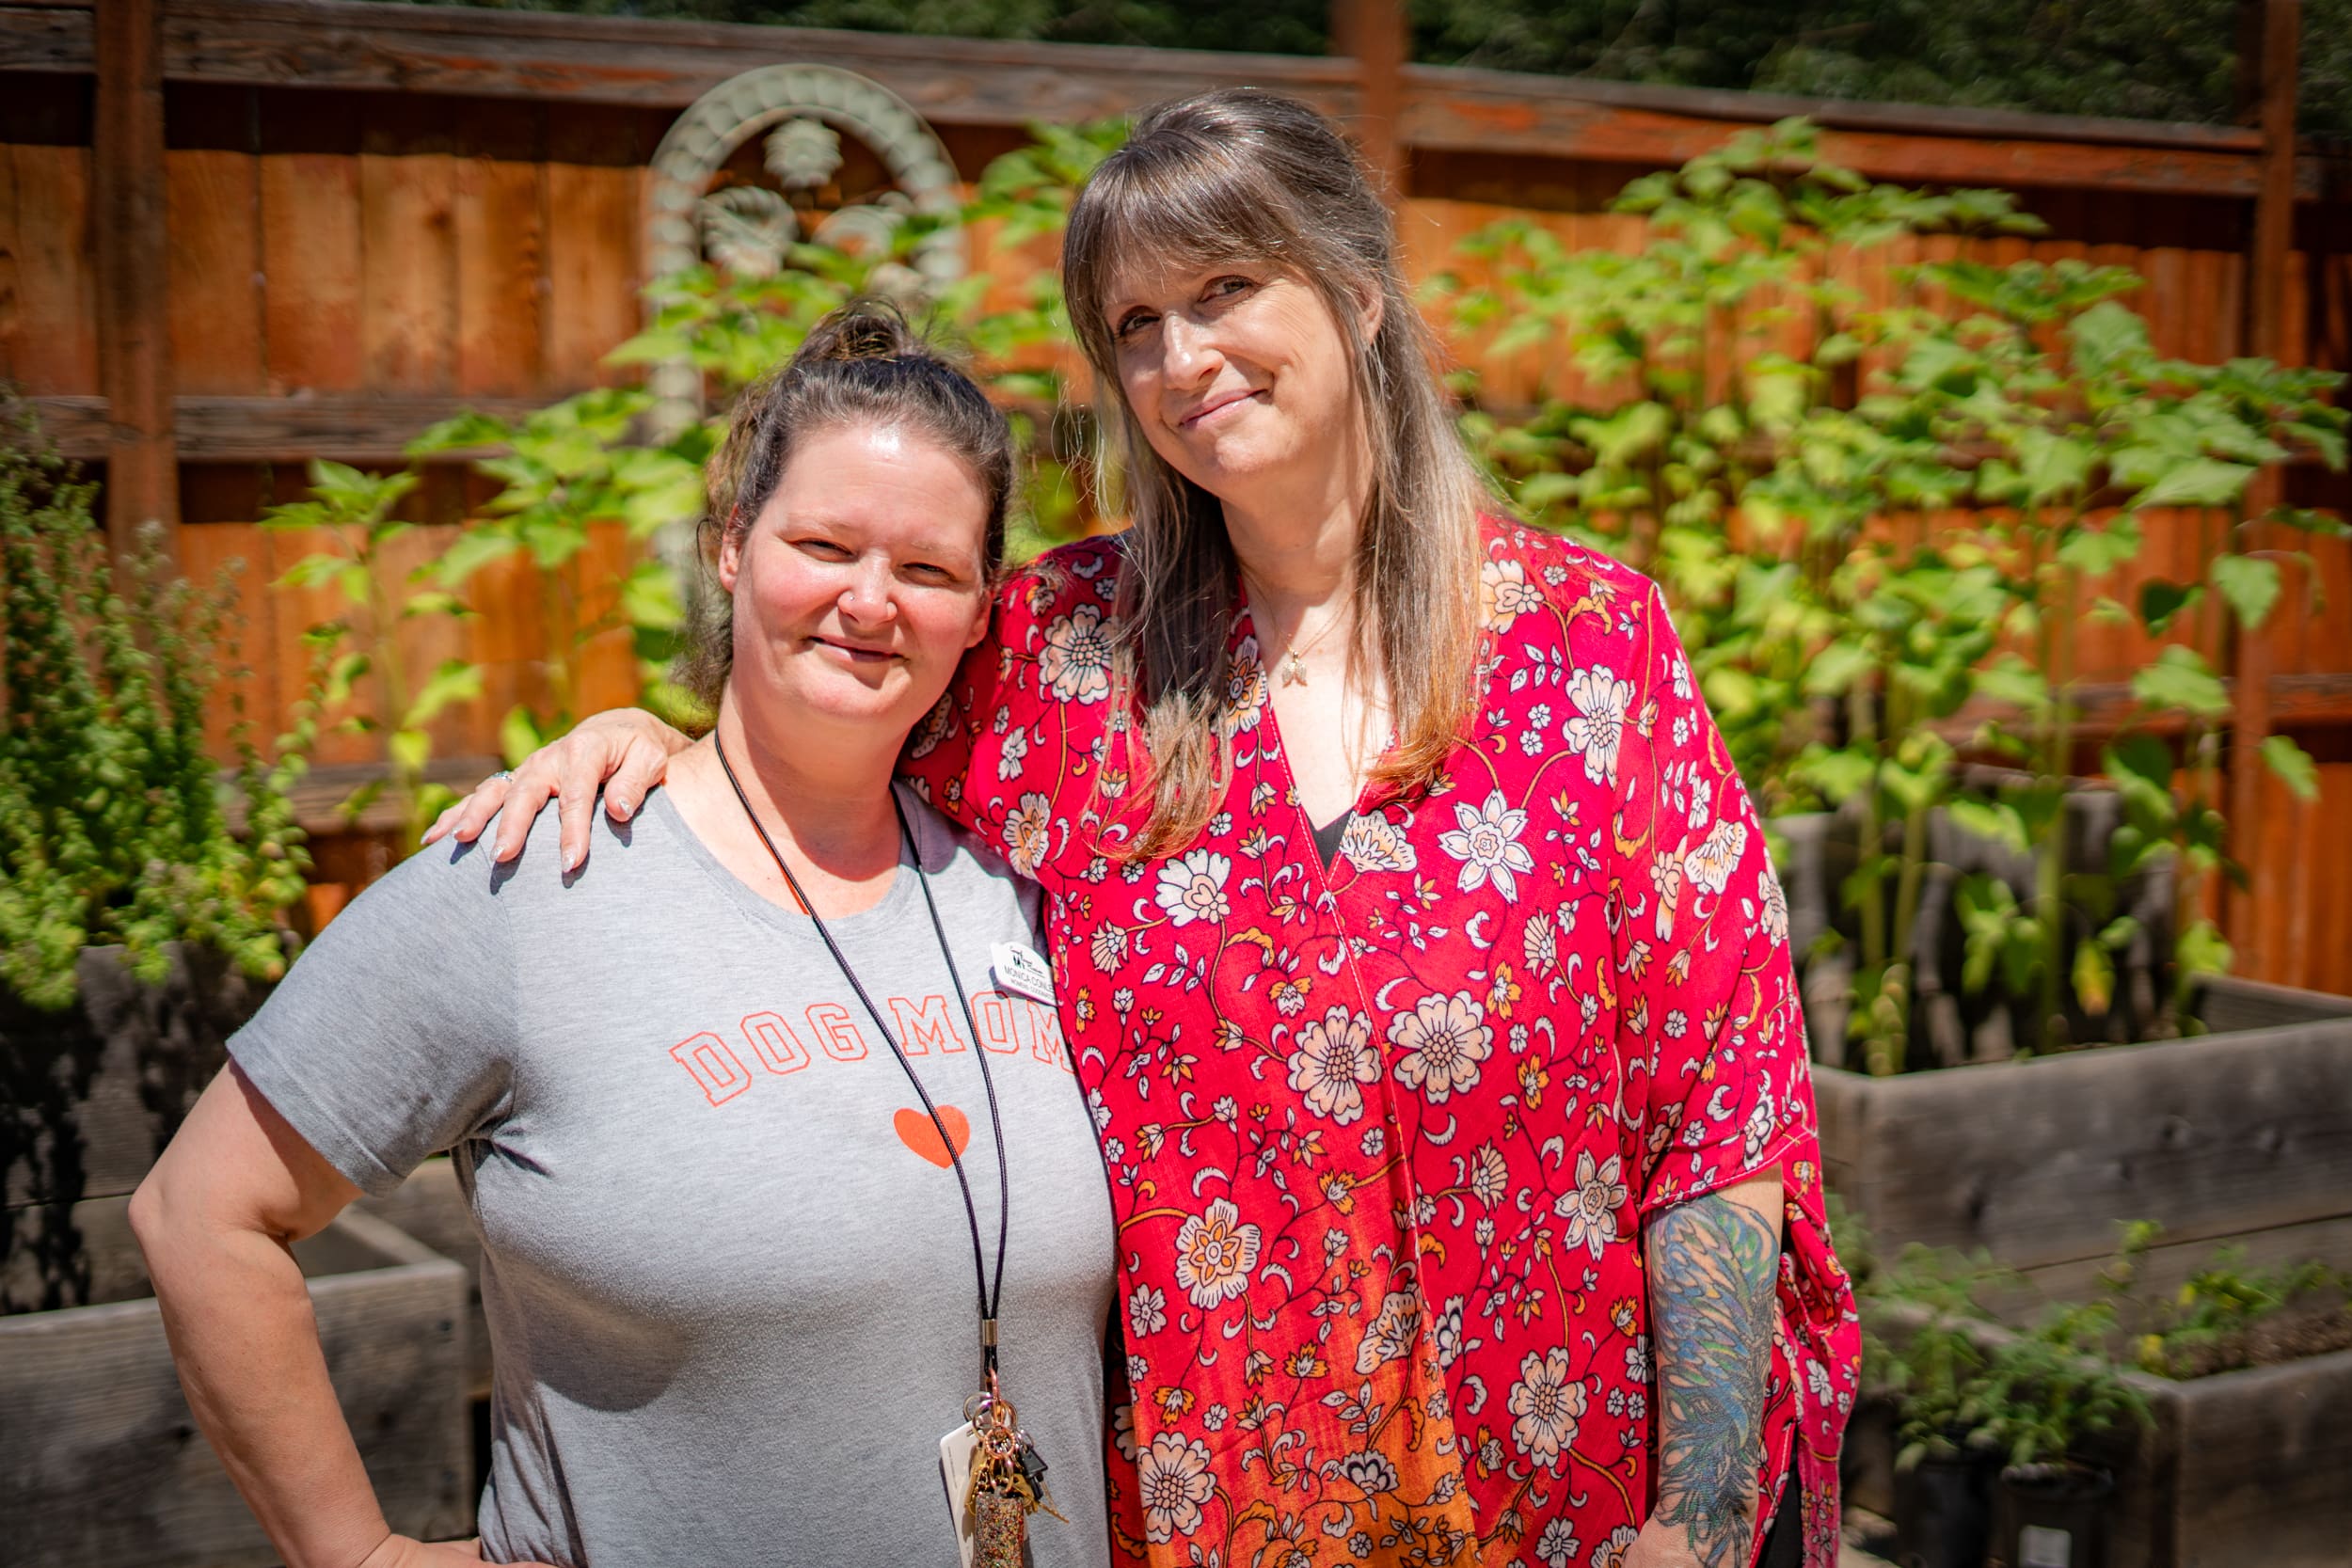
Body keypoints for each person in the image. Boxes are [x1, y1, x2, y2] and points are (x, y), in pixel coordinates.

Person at [434, 89, 1861, 1568]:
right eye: (1134, 324)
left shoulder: (1590, 647)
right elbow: (814, 730)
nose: (1180, 359)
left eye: (1225, 289)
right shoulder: (1060, 659)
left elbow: (1722, 1102)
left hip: (1561, 1499)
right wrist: (653, 741)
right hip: (1200, 1512)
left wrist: (1697, 1518)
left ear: (1360, 292)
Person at [131, 307, 1117, 1568]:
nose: (869, 600)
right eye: (822, 545)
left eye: (927, 569)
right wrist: (359, 1556)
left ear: (982, 608)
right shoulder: (537, 874)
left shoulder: (1027, 886)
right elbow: (200, 1216)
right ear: (731, 547)